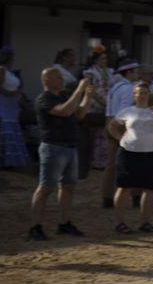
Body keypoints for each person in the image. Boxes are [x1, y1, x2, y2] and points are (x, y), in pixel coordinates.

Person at [28, 67, 94, 240]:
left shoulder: (63, 96)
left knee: (68, 187)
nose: (61, 80)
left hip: (69, 146)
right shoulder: (44, 99)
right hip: (53, 147)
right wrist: (79, 90)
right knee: (46, 188)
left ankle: (64, 223)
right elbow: (64, 111)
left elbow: (79, 114)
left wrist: (87, 95)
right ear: (46, 81)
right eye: (56, 77)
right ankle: (35, 226)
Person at [106, 79, 153, 233]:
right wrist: (120, 138)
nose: (143, 96)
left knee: (149, 188)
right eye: (140, 93)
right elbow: (112, 125)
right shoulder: (127, 111)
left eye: (145, 93)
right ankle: (120, 222)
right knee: (124, 187)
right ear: (134, 95)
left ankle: (145, 222)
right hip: (129, 152)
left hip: (152, 152)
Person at [101, 58, 142, 208]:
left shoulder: (116, 87)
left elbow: (109, 109)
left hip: (110, 121)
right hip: (122, 125)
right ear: (129, 72)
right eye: (136, 71)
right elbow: (125, 111)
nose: (138, 73)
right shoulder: (127, 88)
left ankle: (107, 197)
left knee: (111, 163)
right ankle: (136, 196)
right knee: (135, 161)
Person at [80, 47, 111, 180]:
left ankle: (102, 160)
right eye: (102, 58)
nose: (105, 61)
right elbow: (92, 89)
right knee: (95, 133)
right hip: (96, 103)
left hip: (105, 102)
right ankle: (95, 160)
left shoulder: (108, 72)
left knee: (103, 132)